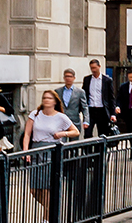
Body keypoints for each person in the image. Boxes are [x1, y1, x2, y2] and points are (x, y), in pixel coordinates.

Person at [22, 90, 80, 221]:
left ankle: (47, 218)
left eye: (49, 98)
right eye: (44, 98)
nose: (46, 100)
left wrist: (62, 134)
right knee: (34, 189)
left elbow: (75, 131)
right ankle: (52, 208)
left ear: (55, 101)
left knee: (46, 188)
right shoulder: (35, 114)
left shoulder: (60, 117)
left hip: (51, 152)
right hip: (36, 150)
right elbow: (27, 134)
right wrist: (26, 151)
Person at [81, 60, 116, 137]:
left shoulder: (107, 80)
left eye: (95, 68)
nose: (93, 70)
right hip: (90, 110)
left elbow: (111, 98)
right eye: (91, 68)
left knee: (102, 133)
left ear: (99, 67)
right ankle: (88, 149)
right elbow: (83, 95)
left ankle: (100, 149)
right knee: (87, 133)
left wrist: (113, 114)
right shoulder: (87, 79)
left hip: (102, 110)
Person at [58, 68, 89, 134]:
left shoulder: (80, 92)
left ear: (74, 78)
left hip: (75, 121)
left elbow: (84, 107)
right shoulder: (58, 91)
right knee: (62, 143)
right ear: (64, 78)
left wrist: (86, 120)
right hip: (61, 122)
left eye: (70, 76)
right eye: (66, 76)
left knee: (74, 143)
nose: (68, 78)